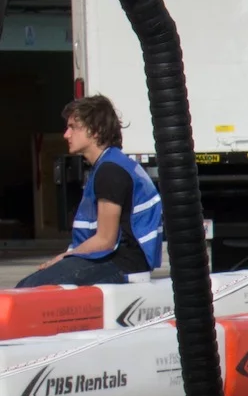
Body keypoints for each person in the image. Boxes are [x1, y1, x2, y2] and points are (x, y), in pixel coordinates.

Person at [18, 95, 164, 287]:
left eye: (73, 127)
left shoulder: (110, 171)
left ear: (96, 131)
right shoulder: (112, 163)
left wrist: (64, 257)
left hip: (121, 264)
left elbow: (105, 240)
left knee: (28, 290)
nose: (66, 135)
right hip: (117, 261)